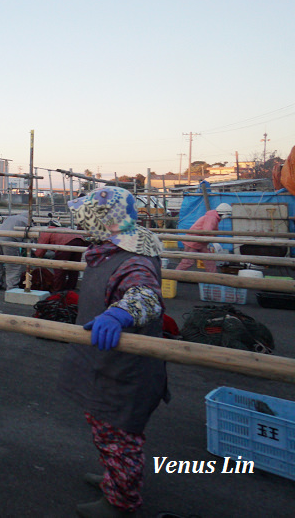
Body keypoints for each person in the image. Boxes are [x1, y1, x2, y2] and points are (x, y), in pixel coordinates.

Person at [58, 186, 169, 518]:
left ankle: (120, 502)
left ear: (107, 220)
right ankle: (113, 479)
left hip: (125, 371)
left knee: (120, 438)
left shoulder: (132, 258)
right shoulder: (111, 248)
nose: (83, 224)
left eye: (88, 217)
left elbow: (145, 295)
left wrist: (121, 313)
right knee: (106, 430)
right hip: (106, 364)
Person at [175, 203, 230, 272]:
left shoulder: (213, 217)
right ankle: (175, 275)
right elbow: (207, 231)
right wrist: (214, 241)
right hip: (193, 241)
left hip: (200, 242)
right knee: (188, 261)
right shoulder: (212, 218)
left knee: (209, 260)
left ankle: (212, 277)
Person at [34, 223, 88, 292]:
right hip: (79, 240)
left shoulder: (45, 232)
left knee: (60, 268)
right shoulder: (63, 229)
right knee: (74, 267)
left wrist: (36, 256)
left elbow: (40, 250)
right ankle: (71, 288)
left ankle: (57, 289)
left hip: (65, 243)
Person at [0, 213, 29, 290]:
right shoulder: (27, 221)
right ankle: (12, 287)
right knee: (13, 264)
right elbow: (29, 237)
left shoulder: (10, 218)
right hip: (10, 239)